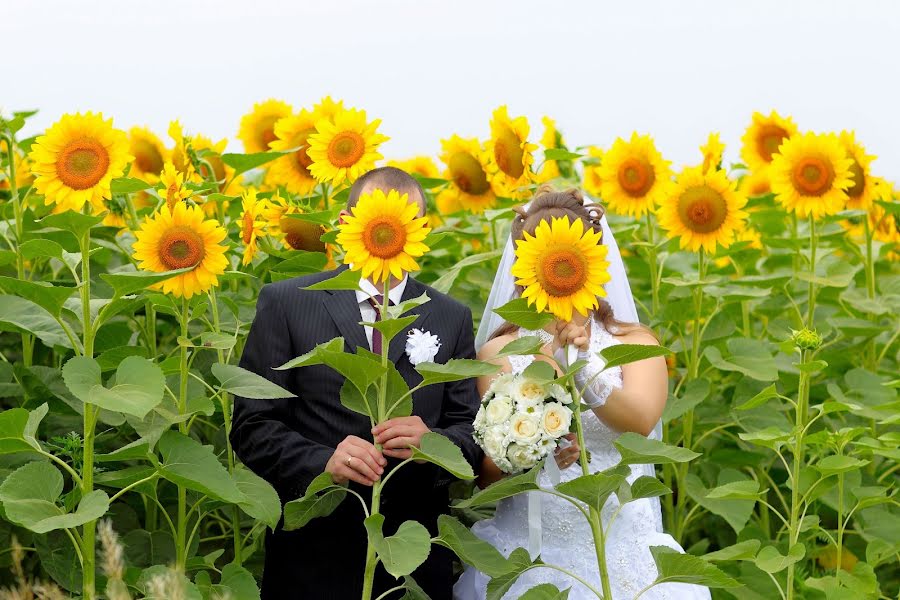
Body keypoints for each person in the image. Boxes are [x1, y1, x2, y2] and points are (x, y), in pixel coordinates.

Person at [231, 166, 483, 600]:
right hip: (312, 550)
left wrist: (433, 444)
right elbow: (252, 425)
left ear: (420, 230)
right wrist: (322, 461)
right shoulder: (289, 303)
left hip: (413, 560)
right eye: (376, 220)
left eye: (407, 223)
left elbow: (472, 434)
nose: (389, 232)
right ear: (347, 224)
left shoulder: (449, 316)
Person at [453, 186, 711, 600]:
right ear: (525, 265)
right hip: (530, 546)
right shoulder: (500, 352)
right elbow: (484, 472)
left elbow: (641, 422)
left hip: (618, 541)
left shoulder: (635, 343)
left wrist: (583, 364)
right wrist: (534, 450)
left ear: (593, 261)